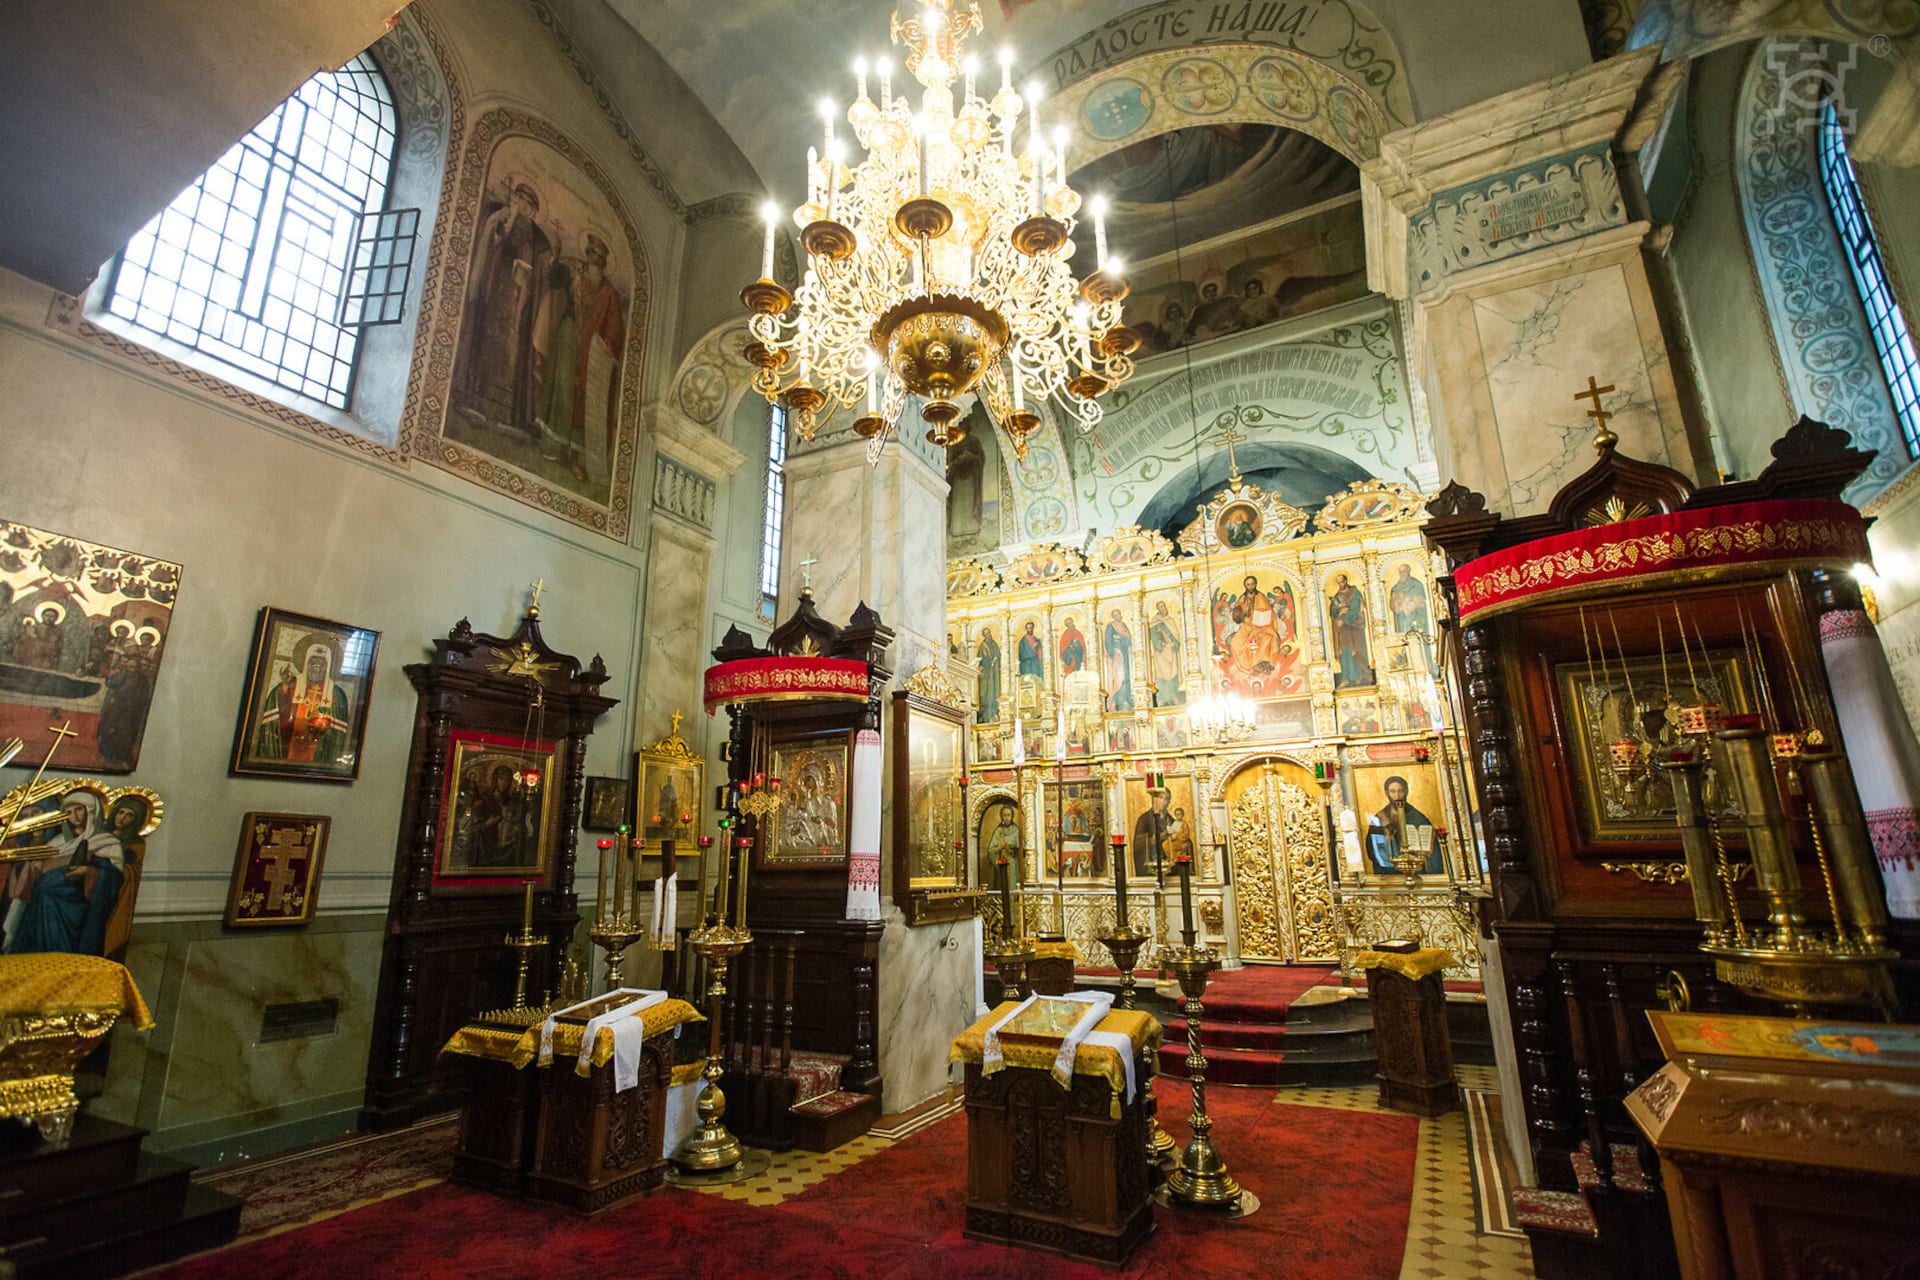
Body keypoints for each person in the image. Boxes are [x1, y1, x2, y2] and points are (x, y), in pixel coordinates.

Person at [456, 180, 553, 437]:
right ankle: (475, 402)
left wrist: (531, 276)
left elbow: (538, 272)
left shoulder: (536, 238)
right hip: (495, 294)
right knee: (485, 346)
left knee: (511, 357)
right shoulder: (504, 218)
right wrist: (500, 231)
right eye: (520, 199)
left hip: (517, 305)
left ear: (534, 210)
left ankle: (505, 415)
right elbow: (493, 245)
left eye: (528, 203)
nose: (523, 205)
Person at [3, 791, 125, 955]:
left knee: (47, 897)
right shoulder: (58, 842)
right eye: (69, 812)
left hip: (79, 905)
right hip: (45, 901)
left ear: (91, 811)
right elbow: (38, 871)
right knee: (43, 895)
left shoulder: (107, 842)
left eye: (79, 810)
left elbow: (114, 878)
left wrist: (88, 872)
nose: (74, 816)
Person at [1368, 775, 1440, 873]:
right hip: (1391, 870)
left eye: (1400, 791)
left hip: (1415, 868)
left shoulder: (1417, 817)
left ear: (1406, 792)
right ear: (1387, 793)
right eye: (1393, 791)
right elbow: (1373, 848)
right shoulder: (1380, 817)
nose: (1397, 796)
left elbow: (1433, 850)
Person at [1328, 573, 1372, 688]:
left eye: (1342, 582)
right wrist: (1336, 608)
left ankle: (1361, 675)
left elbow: (1356, 608)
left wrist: (1345, 618)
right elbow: (1333, 613)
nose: (1341, 584)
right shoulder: (1337, 595)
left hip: (1354, 625)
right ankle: (1346, 678)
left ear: (1346, 581)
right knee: (1344, 651)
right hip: (1343, 628)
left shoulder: (1354, 592)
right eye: (1338, 583)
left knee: (1356, 649)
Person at [1148, 601, 1184, 706]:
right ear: (1158, 609)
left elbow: (1176, 635)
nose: (1162, 608)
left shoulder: (1170, 621)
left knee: (1173, 671)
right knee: (1162, 673)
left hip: (1171, 650)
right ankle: (1162, 697)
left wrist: (1174, 643)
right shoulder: (1155, 622)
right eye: (1160, 607)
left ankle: (1173, 695)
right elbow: (1153, 636)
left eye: (1163, 606)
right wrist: (1161, 644)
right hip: (1161, 652)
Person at [1131, 787, 1171, 878]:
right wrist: (1154, 838)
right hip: (1151, 860)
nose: (1163, 802)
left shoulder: (1170, 819)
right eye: (1161, 798)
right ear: (1154, 799)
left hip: (1167, 861)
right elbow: (1138, 844)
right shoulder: (1144, 819)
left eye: (1166, 799)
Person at [1103, 609, 1134, 712]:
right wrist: (1113, 653)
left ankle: (1126, 698)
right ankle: (1117, 700)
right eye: (1115, 615)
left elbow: (1128, 640)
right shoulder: (1110, 627)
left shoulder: (1123, 626)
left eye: (1118, 614)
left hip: (1125, 654)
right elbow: (1108, 641)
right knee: (1118, 677)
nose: (1117, 616)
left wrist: (1120, 638)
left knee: (1125, 676)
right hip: (1116, 655)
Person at [1389, 564, 1430, 637]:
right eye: (1401, 572)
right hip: (1401, 619)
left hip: (1415, 617)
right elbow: (1393, 605)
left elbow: (1420, 601)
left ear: (1408, 572)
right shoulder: (1395, 588)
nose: (1402, 574)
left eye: (1404, 571)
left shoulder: (1416, 584)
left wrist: (1409, 600)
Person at [976, 626, 1001, 722]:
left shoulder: (994, 645)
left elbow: (998, 655)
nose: (989, 635)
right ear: (984, 635)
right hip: (986, 675)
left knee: (994, 693)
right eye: (987, 634)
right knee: (987, 694)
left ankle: (994, 712)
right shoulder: (983, 646)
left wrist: (996, 661)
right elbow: (981, 660)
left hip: (994, 673)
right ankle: (987, 715)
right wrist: (991, 662)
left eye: (989, 633)